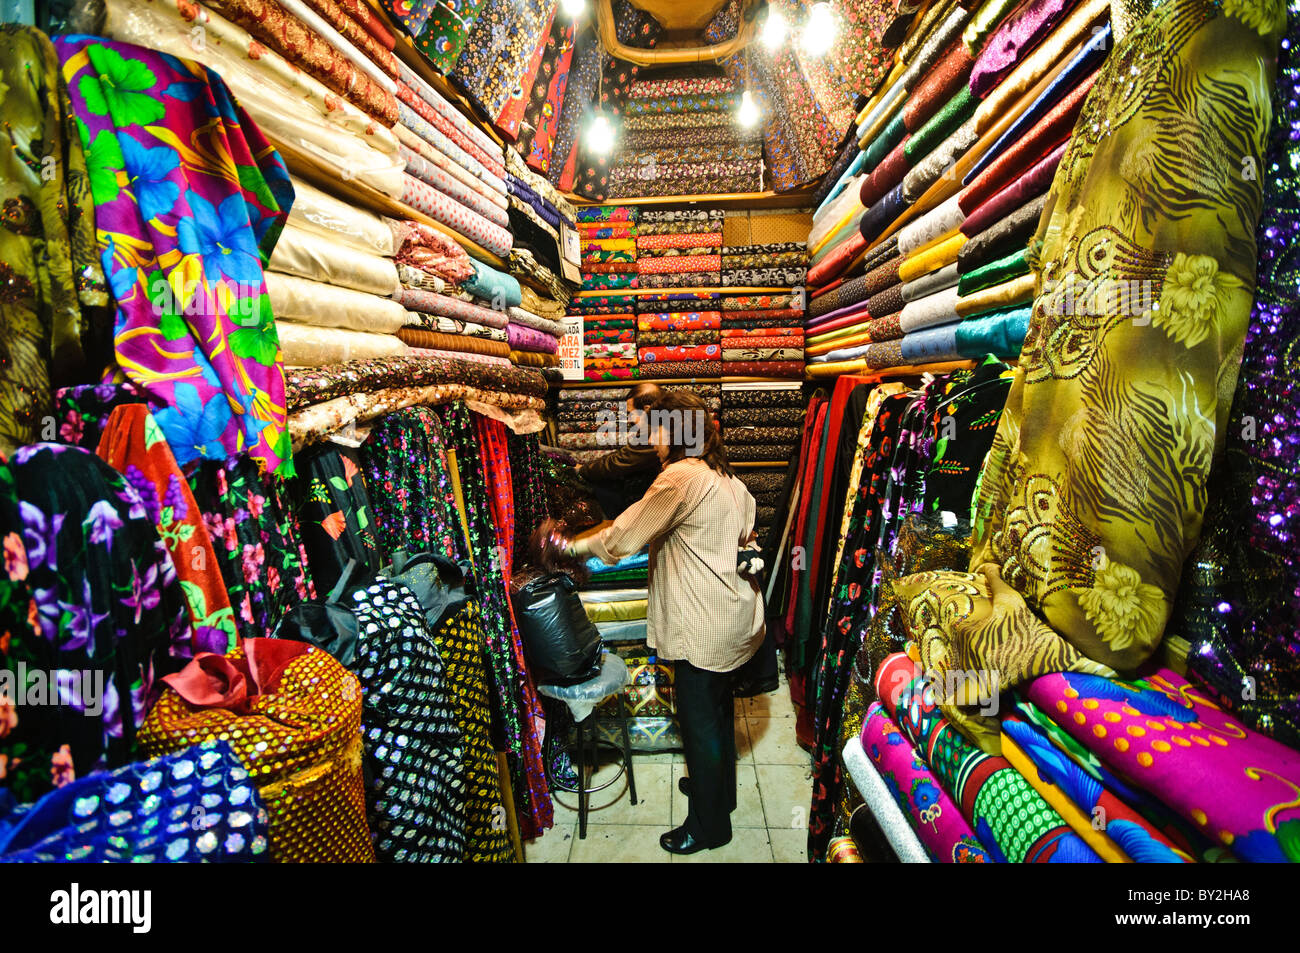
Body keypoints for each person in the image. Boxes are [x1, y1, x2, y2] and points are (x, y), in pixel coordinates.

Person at [557, 390, 764, 854]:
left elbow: (624, 536)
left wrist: (568, 548)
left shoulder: (679, 478)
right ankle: (718, 794)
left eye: (655, 429)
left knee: (699, 724)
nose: (651, 440)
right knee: (717, 710)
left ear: (676, 431)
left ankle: (709, 827)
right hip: (735, 617)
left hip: (703, 624)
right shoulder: (726, 478)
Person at [576, 382, 663, 518]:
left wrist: (581, 471)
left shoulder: (655, 432)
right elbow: (624, 455)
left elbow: (620, 461)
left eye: (631, 413)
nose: (629, 419)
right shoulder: (661, 423)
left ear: (646, 409)